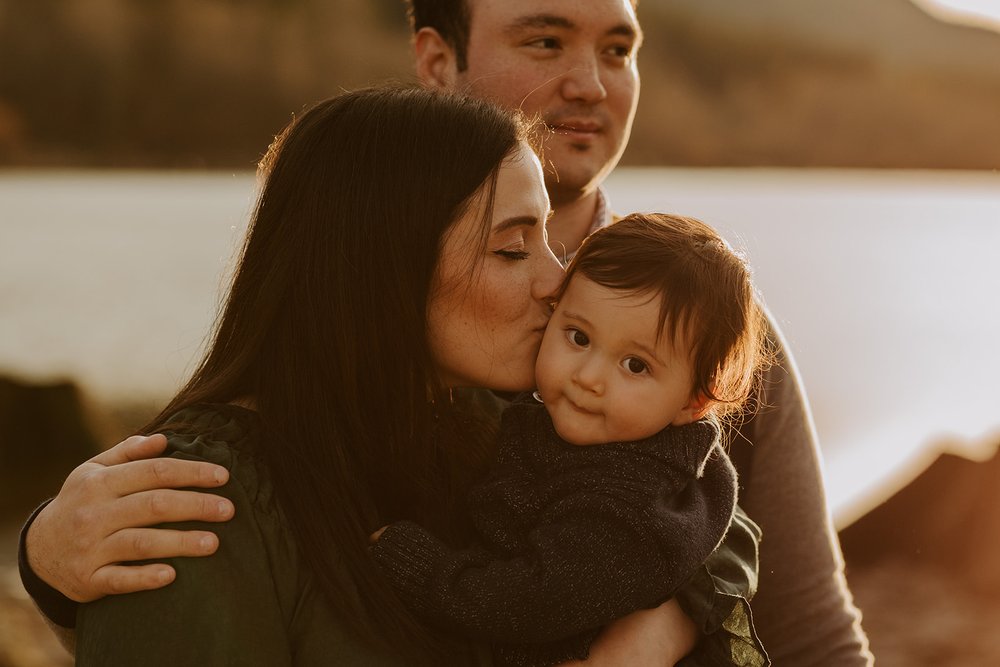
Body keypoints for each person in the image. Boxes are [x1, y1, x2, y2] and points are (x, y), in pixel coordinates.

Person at [20, 0, 873, 664]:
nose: (589, 82)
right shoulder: (231, 481)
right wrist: (47, 564)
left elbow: (760, 574)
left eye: (618, 49)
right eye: (545, 41)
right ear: (438, 59)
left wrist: (662, 630)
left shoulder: (711, 335)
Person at [370, 213, 772, 667]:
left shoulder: (626, 508)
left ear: (694, 402)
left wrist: (413, 563)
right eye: (578, 337)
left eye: (635, 366)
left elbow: (528, 602)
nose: (588, 377)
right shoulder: (581, 428)